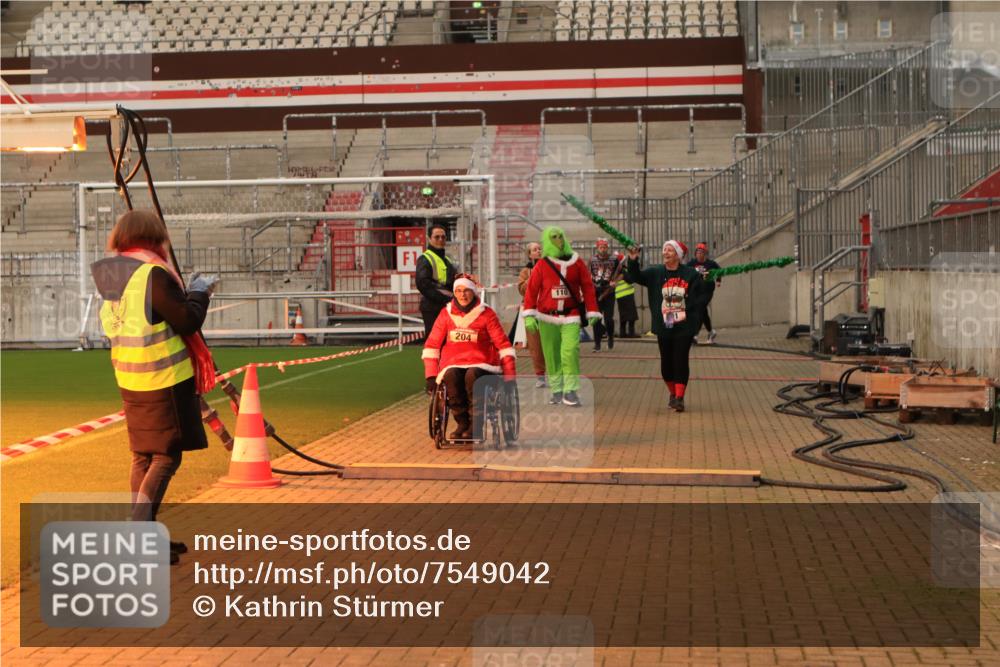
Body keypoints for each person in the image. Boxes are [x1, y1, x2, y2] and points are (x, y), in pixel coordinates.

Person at [90, 209, 218, 564]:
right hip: (163, 378)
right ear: (152, 236)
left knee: (143, 455)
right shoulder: (151, 273)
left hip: (131, 377)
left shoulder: (110, 273)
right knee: (165, 455)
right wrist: (200, 291)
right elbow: (186, 321)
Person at [422, 275, 517, 440]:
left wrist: (509, 376)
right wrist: (431, 375)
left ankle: (476, 424)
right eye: (458, 291)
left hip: (482, 362)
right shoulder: (446, 314)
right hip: (453, 363)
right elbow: (432, 346)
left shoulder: (486, 314)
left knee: (472, 375)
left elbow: (503, 345)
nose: (462, 295)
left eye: (466, 290)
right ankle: (462, 423)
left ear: (473, 292)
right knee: (451, 376)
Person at [522, 226, 600, 407]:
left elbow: (587, 286)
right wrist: (529, 315)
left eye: (560, 236)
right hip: (547, 316)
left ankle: (570, 390)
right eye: (553, 237)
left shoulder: (577, 262)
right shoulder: (542, 264)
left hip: (571, 315)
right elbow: (532, 291)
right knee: (551, 354)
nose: (557, 239)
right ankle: (557, 389)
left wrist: (592, 309)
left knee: (570, 350)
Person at [625, 240, 705, 413]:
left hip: (684, 326)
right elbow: (635, 277)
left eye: (670, 250)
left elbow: (700, 297)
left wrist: (694, 318)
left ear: (678, 255)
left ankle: (679, 397)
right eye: (664, 250)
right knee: (666, 365)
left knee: (681, 360)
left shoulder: (690, 274)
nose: (665, 253)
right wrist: (632, 260)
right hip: (664, 326)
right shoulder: (655, 272)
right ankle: (672, 393)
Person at [415, 223, 458, 337]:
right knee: (435, 344)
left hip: (447, 306)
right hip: (432, 307)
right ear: (429, 239)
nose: (440, 240)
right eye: (437, 237)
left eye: (443, 237)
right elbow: (423, 284)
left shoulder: (447, 260)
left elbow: (454, 280)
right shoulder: (425, 259)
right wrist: (446, 298)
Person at [517, 242, 547, 388]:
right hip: (532, 312)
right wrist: (533, 276)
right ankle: (540, 376)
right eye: (535, 250)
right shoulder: (525, 272)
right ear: (529, 254)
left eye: (540, 248)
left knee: (551, 344)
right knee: (535, 346)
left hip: (548, 311)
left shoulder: (550, 268)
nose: (538, 251)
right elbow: (522, 289)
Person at [589, 238, 619, 352]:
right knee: (596, 319)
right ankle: (597, 344)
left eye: (605, 247)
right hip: (596, 292)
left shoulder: (614, 259)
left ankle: (610, 337)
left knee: (608, 319)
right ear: (597, 248)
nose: (603, 249)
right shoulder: (592, 260)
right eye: (601, 247)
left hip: (609, 292)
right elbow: (588, 274)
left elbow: (621, 273)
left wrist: (615, 281)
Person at [688, 242, 721, 344]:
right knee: (702, 312)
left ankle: (695, 334)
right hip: (695, 291)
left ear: (705, 254)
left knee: (699, 308)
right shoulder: (691, 263)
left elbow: (719, 270)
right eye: (698, 252)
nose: (699, 254)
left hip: (707, 291)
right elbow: (684, 272)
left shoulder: (711, 264)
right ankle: (711, 332)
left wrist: (718, 280)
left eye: (702, 252)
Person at [614, 250, 639, 338]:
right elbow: (630, 280)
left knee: (623, 315)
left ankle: (622, 333)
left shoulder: (616, 271)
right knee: (631, 315)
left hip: (620, 295)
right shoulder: (623, 271)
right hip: (626, 294)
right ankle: (631, 333)